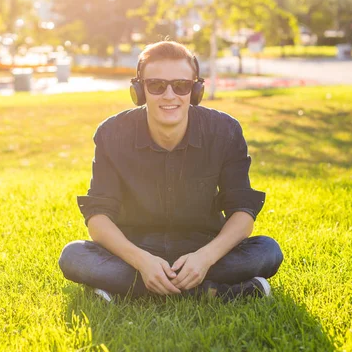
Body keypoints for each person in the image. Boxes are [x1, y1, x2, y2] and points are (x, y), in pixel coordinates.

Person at [59, 41, 283, 302]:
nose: (169, 95)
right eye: (156, 85)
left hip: (202, 251)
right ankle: (212, 293)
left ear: (195, 90)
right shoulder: (111, 134)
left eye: (181, 85)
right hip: (135, 251)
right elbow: (97, 217)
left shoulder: (226, 131)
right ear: (139, 90)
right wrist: (142, 262)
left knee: (267, 251)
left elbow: (243, 212)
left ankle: (125, 292)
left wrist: (205, 258)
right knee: (74, 257)